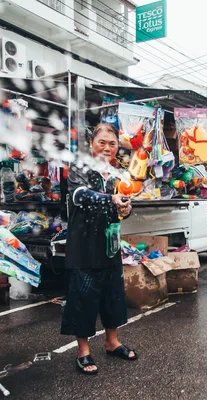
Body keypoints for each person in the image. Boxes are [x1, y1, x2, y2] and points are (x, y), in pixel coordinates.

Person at [61, 123, 137, 375]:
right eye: (102, 142)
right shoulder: (80, 168)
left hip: (109, 246)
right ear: (92, 144)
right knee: (83, 299)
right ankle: (83, 351)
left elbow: (122, 205)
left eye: (112, 143)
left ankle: (111, 342)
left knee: (113, 297)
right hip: (84, 247)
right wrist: (110, 199)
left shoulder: (117, 174)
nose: (107, 147)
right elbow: (79, 196)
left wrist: (126, 208)